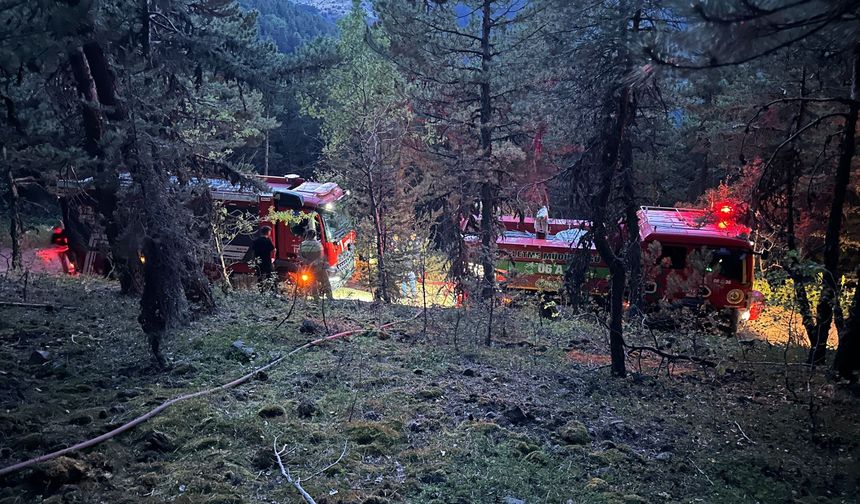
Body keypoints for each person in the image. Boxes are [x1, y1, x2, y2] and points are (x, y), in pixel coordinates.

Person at [299, 229, 333, 300]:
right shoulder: (318, 244)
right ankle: (329, 297)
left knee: (312, 283)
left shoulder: (302, 244)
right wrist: (315, 263)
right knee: (325, 281)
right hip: (319, 267)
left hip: (308, 268)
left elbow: (301, 256)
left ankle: (316, 298)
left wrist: (307, 263)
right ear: (314, 236)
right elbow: (321, 256)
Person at [250, 226, 276, 292]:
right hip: (267, 261)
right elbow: (274, 250)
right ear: (268, 232)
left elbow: (253, 252)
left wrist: (253, 260)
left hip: (258, 261)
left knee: (259, 276)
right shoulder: (268, 240)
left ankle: (261, 291)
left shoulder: (256, 241)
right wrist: (273, 258)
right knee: (270, 276)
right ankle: (272, 291)